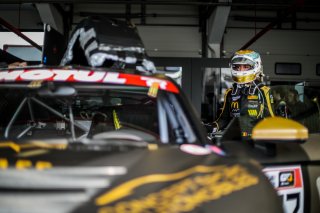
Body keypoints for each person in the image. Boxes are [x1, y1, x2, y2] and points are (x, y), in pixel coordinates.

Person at [210, 49, 275, 138]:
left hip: (256, 140)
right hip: (235, 139)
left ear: (256, 66)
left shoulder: (264, 91)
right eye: (237, 67)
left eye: (246, 66)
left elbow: (273, 119)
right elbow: (224, 119)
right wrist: (211, 127)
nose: (240, 70)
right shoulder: (230, 92)